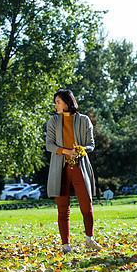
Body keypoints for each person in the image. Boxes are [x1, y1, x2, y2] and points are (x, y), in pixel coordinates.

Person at [46, 89, 102, 253]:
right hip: (60, 169)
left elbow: (91, 144)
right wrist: (65, 151)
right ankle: (66, 246)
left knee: (87, 205)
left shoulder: (84, 120)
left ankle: (89, 239)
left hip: (79, 167)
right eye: (55, 102)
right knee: (63, 210)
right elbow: (49, 145)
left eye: (58, 102)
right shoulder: (53, 121)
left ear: (67, 102)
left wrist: (80, 149)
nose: (55, 105)